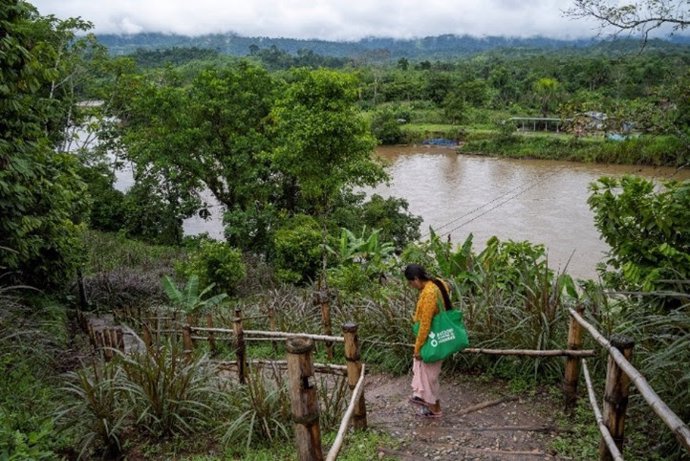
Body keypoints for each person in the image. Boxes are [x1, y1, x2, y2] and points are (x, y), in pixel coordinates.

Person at [404, 263, 451, 418]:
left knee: (429, 375)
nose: (411, 286)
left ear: (416, 279)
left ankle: (434, 410)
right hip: (438, 336)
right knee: (430, 375)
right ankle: (429, 407)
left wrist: (418, 348)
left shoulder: (429, 292)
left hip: (431, 338)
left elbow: (425, 323)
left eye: (411, 282)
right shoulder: (437, 283)